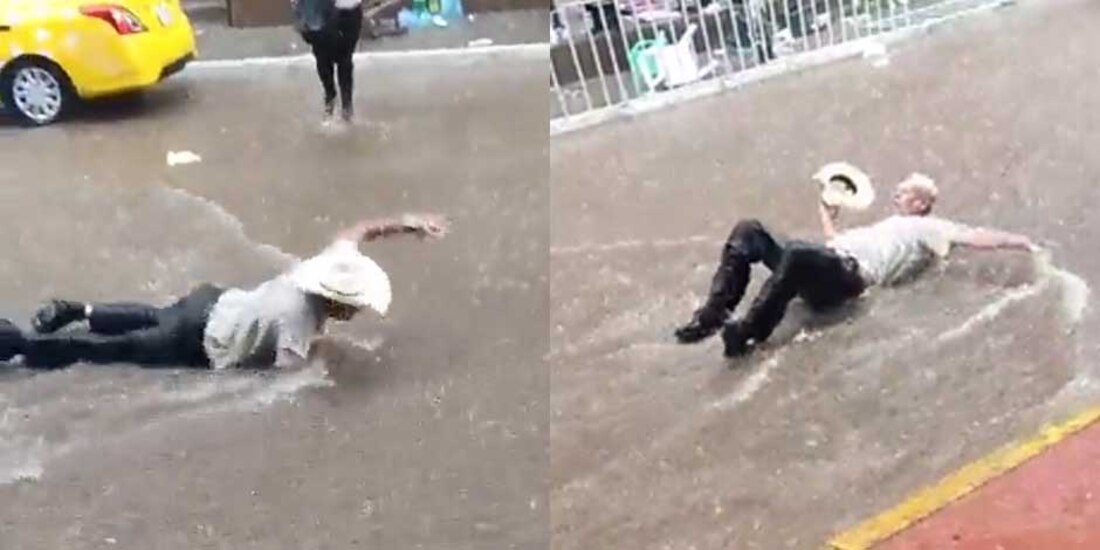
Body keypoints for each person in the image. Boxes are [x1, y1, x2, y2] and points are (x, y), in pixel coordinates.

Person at [0, 213, 450, 370]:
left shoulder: (320, 264)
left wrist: (408, 223)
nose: (357, 315)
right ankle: (20, 343)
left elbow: (359, 230)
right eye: (356, 307)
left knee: (154, 315)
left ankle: (76, 308)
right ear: (338, 300)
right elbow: (286, 378)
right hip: (197, 341)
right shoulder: (298, 319)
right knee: (113, 351)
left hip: (210, 302)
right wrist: (327, 356)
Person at [674, 169, 1038, 358]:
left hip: (849, 279)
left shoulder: (929, 226)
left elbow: (971, 236)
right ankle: (712, 315)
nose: (897, 193)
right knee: (750, 230)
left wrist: (1018, 241)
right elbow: (835, 245)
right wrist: (827, 214)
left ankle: (748, 332)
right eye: (899, 189)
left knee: (799, 254)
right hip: (829, 264)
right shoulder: (885, 227)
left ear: (922, 203)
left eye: (906, 191)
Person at [292, 0, 365, 124]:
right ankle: (333, 100)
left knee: (343, 57)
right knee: (324, 57)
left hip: (347, 10)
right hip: (320, 10)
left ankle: (344, 106)